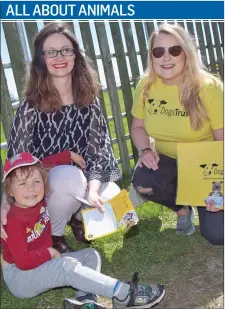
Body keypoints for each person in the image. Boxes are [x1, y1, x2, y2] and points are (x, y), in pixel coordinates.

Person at [1, 22, 122, 253]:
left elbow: (98, 155)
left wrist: (94, 191)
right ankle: (53, 235)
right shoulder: (31, 107)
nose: (60, 57)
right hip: (46, 185)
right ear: (41, 59)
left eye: (67, 50)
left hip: (84, 178)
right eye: (51, 52)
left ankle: (78, 219)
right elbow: (16, 163)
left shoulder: (90, 102)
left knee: (112, 195)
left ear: (76, 55)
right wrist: (5, 204)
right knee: (69, 177)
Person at [1, 152, 165, 309]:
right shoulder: (14, 220)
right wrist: (50, 252)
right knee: (67, 267)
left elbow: (47, 163)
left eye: (36, 181)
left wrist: (68, 156)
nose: (31, 189)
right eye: (22, 184)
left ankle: (85, 299)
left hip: (40, 262)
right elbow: (22, 262)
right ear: (10, 191)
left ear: (43, 181)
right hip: (20, 276)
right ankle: (123, 293)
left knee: (91, 254)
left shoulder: (38, 198)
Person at [130, 23, 223, 245]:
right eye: (158, 51)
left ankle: (205, 205)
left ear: (186, 53)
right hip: (168, 164)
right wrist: (144, 150)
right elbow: (138, 127)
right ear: (152, 57)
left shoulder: (208, 88)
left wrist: (221, 188)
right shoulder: (145, 85)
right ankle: (182, 210)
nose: (166, 57)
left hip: (207, 170)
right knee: (143, 179)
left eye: (174, 49)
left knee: (218, 235)